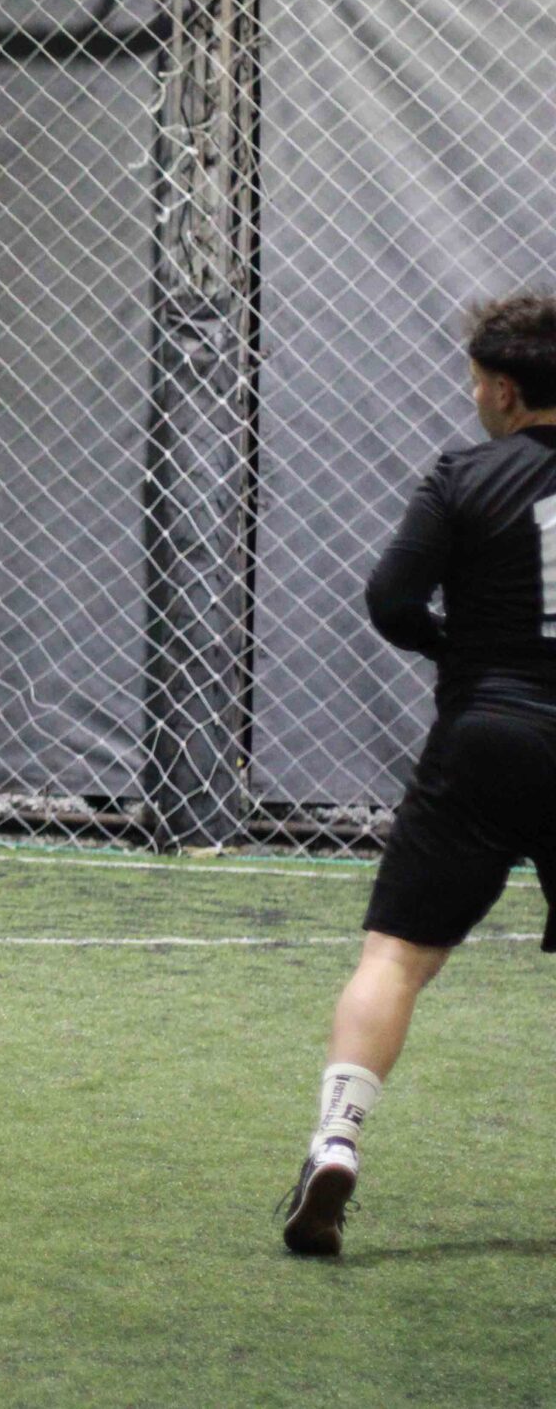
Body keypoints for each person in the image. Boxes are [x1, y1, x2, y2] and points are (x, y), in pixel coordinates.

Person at [279, 290, 556, 1256]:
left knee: (394, 955)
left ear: (507, 391)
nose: (474, 397)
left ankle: (336, 1140)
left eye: (477, 382)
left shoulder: (463, 475)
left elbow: (391, 599)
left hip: (486, 732)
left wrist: (460, 650)